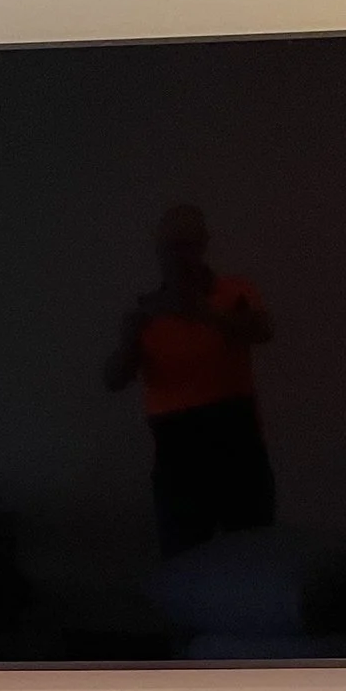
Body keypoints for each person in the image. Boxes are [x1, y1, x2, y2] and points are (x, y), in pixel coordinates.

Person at [103, 203, 278, 555]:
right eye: (172, 246)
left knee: (255, 560)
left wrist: (203, 313)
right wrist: (128, 342)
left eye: (188, 245)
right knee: (185, 567)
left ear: (203, 246)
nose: (180, 255)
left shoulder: (234, 294)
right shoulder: (144, 314)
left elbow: (262, 330)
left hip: (238, 453)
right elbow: (113, 380)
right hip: (178, 462)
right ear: (158, 251)